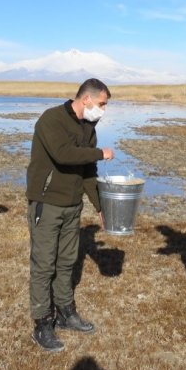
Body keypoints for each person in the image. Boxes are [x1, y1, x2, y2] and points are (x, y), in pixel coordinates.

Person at [26, 78, 115, 353]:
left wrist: (100, 206)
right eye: (102, 104)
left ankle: (66, 312)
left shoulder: (89, 127)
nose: (103, 110)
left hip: (72, 204)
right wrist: (100, 153)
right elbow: (64, 155)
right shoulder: (51, 119)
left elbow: (88, 170)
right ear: (86, 99)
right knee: (44, 262)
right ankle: (42, 322)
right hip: (47, 202)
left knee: (66, 260)